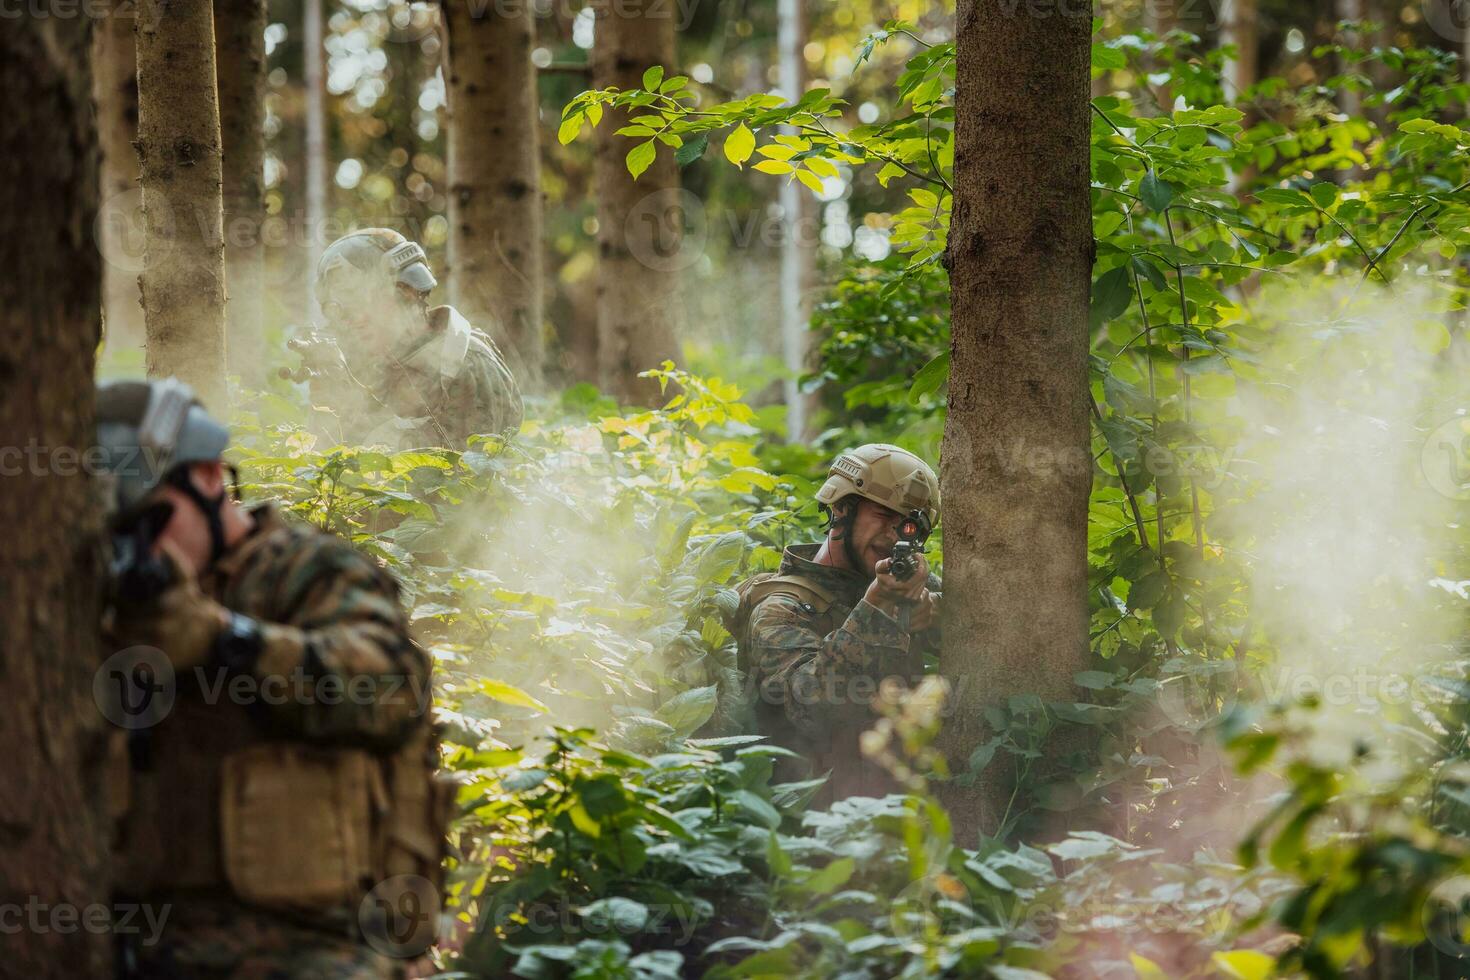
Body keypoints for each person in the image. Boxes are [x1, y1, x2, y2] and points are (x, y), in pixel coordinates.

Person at [97, 378, 450, 979]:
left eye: (150, 519)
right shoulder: (112, 607)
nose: (141, 548)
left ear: (209, 478)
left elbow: (392, 689)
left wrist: (225, 641)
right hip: (149, 943)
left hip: (318, 943)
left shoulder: (306, 571)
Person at [732, 443, 942, 803]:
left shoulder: (910, 583)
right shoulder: (781, 606)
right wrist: (876, 608)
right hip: (808, 816)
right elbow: (815, 709)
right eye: (882, 515)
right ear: (842, 507)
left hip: (903, 805)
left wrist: (937, 613)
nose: (894, 537)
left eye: (907, 526)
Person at [289, 228, 523, 449]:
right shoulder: (371, 369)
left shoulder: (465, 362)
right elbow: (326, 472)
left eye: (362, 301)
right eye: (342, 310)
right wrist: (332, 405)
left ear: (407, 292)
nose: (353, 319)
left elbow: (456, 479)